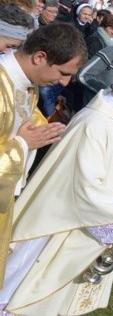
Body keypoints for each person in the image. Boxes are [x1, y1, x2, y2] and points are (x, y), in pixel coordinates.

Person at [0, 63, 113, 315]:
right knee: (29, 274)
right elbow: (84, 182)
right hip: (61, 218)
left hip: (90, 215)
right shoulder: (94, 122)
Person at [0, 22, 87, 289]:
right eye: (63, 73)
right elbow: (18, 137)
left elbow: (23, 119)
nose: (65, 82)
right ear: (40, 57)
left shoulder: (28, 83)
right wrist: (23, 146)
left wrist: (45, 131)